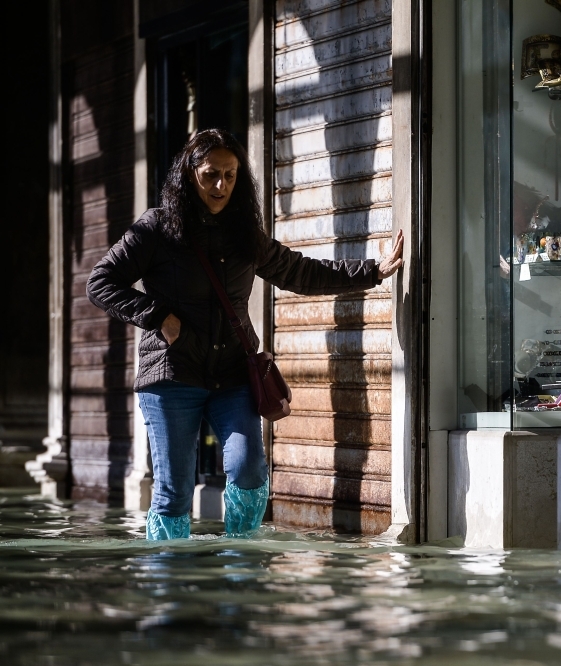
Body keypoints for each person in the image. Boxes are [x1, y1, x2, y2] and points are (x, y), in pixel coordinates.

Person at [86, 129, 403, 540]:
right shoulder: (157, 228)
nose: (222, 185)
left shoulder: (243, 235)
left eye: (231, 175)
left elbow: (299, 271)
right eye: (211, 174)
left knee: (250, 468)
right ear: (189, 174)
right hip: (171, 376)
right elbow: (100, 282)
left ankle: (239, 574)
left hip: (232, 374)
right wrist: (157, 315)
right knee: (174, 492)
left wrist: (373, 271)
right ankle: (172, 592)